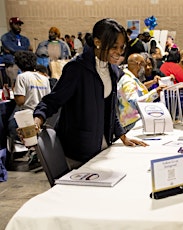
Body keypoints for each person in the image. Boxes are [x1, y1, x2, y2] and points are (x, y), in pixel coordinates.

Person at [33, 19, 148, 170]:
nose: (119, 52)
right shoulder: (76, 69)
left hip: (102, 150)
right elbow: (52, 101)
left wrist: (123, 136)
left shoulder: (113, 70)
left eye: (122, 47)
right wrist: (37, 120)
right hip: (77, 153)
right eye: (114, 47)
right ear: (97, 42)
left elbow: (110, 109)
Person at [8, 51, 51, 170]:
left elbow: (20, 101)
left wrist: (14, 89)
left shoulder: (22, 77)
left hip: (27, 116)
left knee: (9, 125)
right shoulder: (44, 78)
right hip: (43, 115)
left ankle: (30, 149)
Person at [117, 53, 165, 131]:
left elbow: (139, 91)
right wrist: (155, 92)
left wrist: (153, 84)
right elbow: (134, 102)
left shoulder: (131, 79)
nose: (145, 69)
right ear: (139, 65)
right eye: (144, 65)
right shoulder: (128, 81)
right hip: (133, 124)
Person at [1, 17, 33, 87]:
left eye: (19, 24)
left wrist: (13, 51)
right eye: (16, 24)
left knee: (26, 85)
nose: (18, 26)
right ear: (11, 25)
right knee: (14, 85)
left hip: (24, 65)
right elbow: (13, 48)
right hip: (13, 64)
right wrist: (25, 49)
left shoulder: (25, 39)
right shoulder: (5, 37)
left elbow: (15, 50)